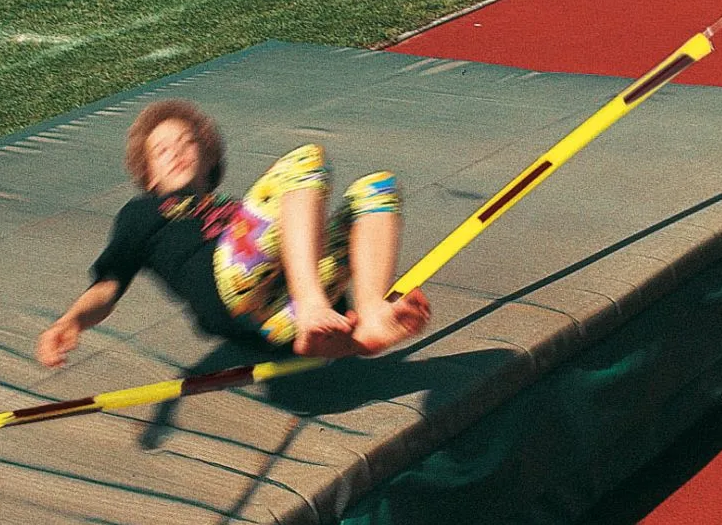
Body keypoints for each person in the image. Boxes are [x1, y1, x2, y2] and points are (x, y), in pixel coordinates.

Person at [36, 99, 431, 367]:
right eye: (161, 150)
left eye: (186, 142)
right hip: (232, 294)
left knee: (377, 188)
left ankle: (370, 314)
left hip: (279, 319)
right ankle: (313, 306)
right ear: (148, 173)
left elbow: (303, 246)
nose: (176, 153)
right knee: (305, 161)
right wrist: (71, 321)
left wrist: (341, 326)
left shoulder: (235, 208)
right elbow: (108, 284)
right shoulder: (143, 213)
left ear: (208, 156)